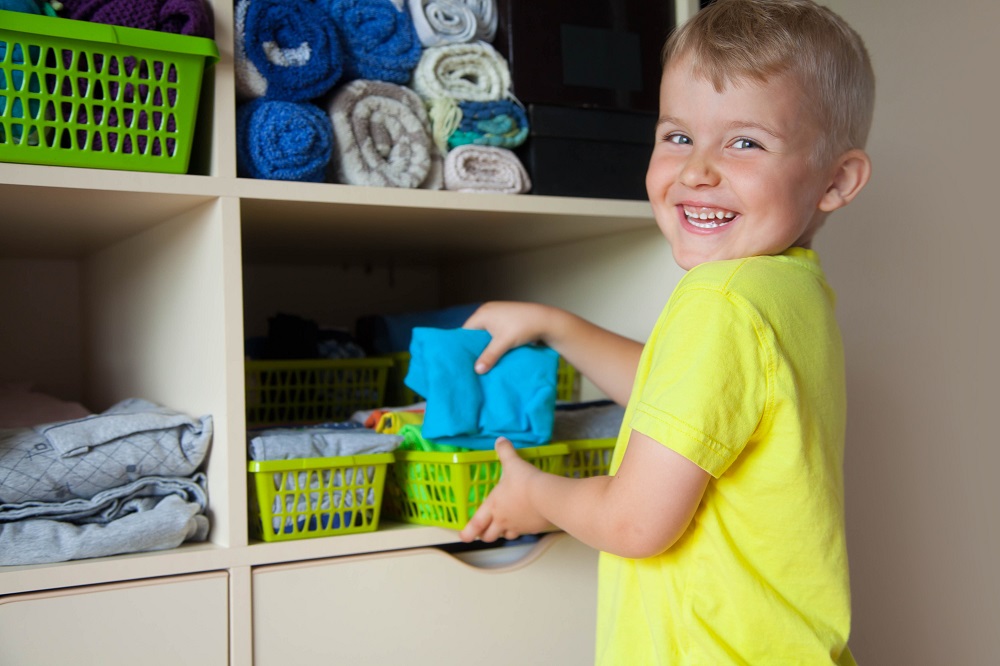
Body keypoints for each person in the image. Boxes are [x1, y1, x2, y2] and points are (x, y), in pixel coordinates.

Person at [457, 0, 875, 663]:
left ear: (837, 180)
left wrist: (537, 496)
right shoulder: (789, 289)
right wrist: (557, 326)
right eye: (678, 136)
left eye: (745, 142)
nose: (697, 170)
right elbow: (687, 399)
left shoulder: (721, 300)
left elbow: (635, 521)